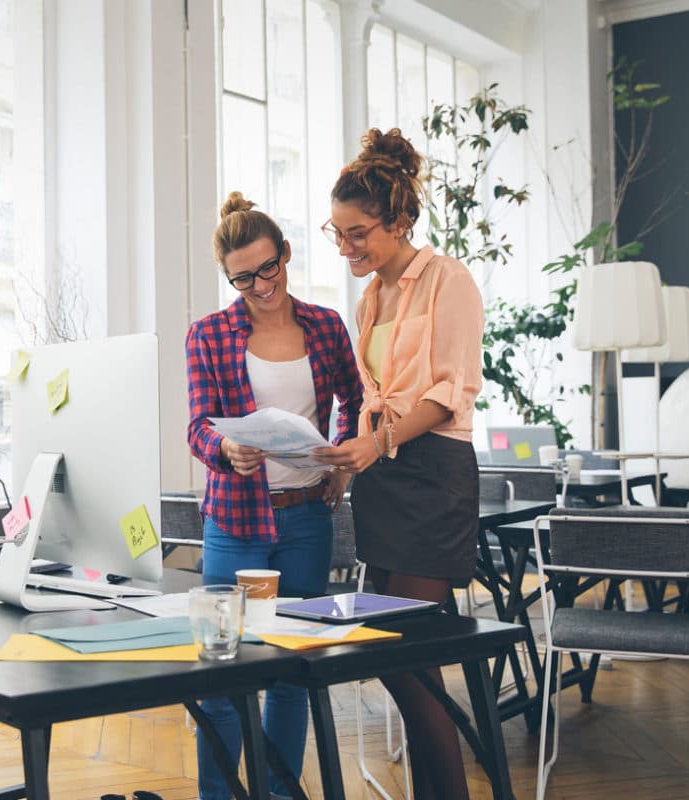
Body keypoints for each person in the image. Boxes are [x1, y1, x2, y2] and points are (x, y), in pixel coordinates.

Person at [312, 128, 484, 799]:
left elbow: (448, 394)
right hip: (383, 481)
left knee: (406, 657)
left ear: (401, 221)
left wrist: (376, 445)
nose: (349, 247)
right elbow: (374, 398)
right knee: (400, 660)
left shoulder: (449, 280)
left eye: (361, 234)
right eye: (339, 232)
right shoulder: (373, 298)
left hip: (434, 475)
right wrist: (347, 464)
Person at [185, 191, 363, 800]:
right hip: (234, 526)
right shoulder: (208, 335)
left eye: (268, 268)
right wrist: (225, 451)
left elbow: (355, 400)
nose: (259, 285)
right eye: (242, 278)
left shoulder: (325, 325)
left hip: (306, 521)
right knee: (224, 673)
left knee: (291, 670)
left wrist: (342, 462)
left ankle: (279, 793)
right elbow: (197, 426)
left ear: (286, 255)